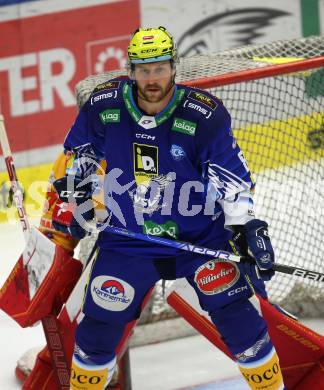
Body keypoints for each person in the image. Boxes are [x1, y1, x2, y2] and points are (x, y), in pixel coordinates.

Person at [53, 26, 285, 390]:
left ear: (174, 67)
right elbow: (79, 156)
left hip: (198, 238)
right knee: (98, 330)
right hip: (129, 240)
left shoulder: (203, 114)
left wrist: (246, 228)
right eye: (143, 69)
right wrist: (75, 192)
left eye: (159, 68)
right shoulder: (105, 104)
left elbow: (231, 179)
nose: (152, 78)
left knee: (240, 320)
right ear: (130, 70)